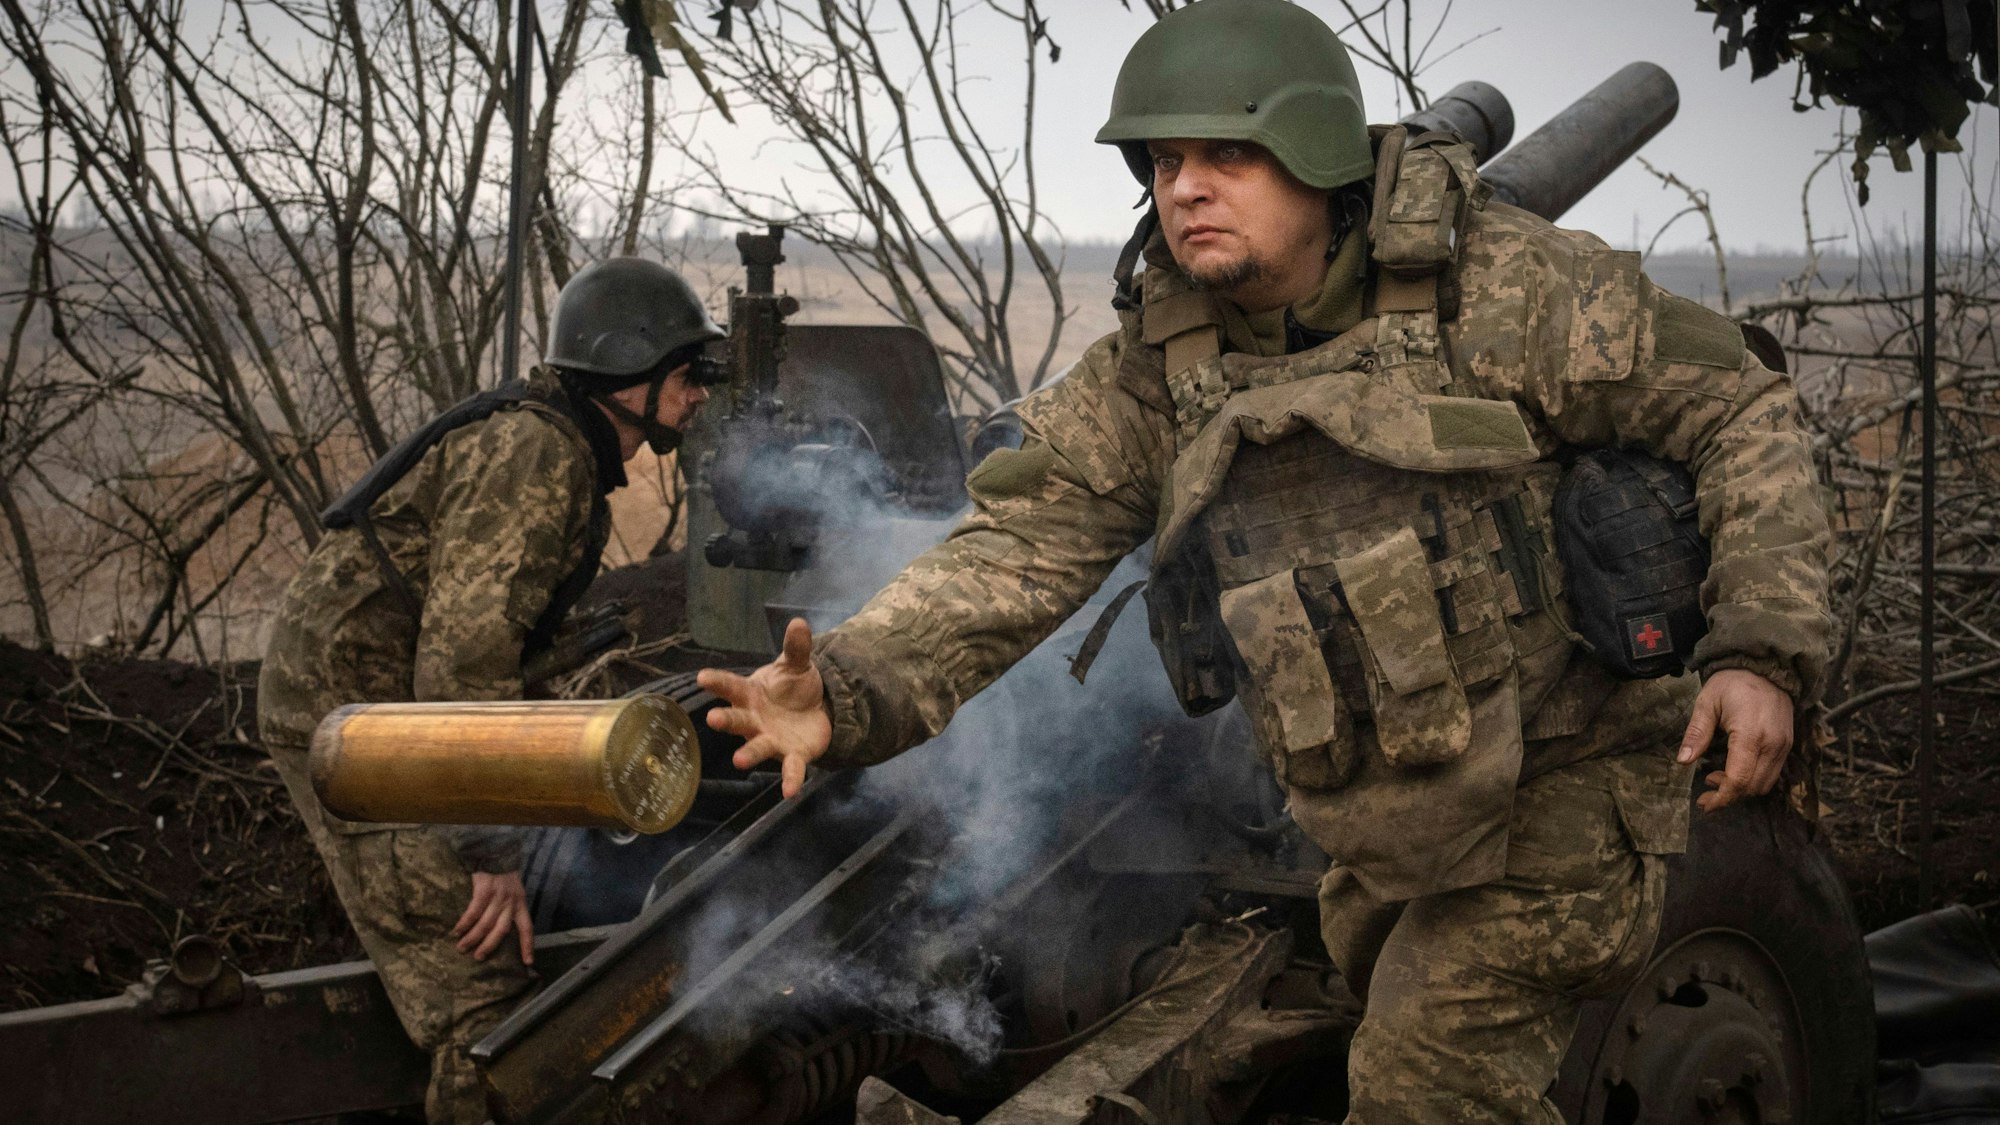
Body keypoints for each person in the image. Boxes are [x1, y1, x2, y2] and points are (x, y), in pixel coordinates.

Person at [699, 2, 1833, 1121]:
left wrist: (1761, 651)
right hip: (1389, 816)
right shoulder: (1161, 365)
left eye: (1227, 156)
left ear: (1318, 157)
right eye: (1164, 162)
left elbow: (1738, 409)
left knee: (1422, 1086)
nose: (1185, 188)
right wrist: (845, 686)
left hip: (1569, 780)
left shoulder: (1504, 288)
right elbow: (1013, 550)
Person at [258, 258, 723, 1124]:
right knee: (484, 1009)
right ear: (628, 368)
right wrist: (491, 856)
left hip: (391, 708)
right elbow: (460, 669)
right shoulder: (537, 452)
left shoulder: (559, 443)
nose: (698, 395)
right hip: (357, 725)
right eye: (687, 373)